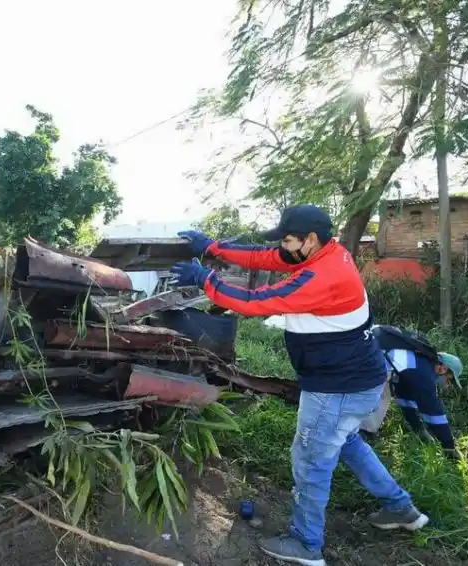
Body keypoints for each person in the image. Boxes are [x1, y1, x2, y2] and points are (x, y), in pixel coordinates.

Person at [172, 205, 428, 566]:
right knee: (345, 441)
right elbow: (264, 256)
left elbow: (255, 302)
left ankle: (306, 544)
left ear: (309, 240)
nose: (283, 248)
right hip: (357, 381)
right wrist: (213, 247)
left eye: (288, 240)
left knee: (310, 460)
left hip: (336, 387)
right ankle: (401, 508)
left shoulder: (322, 276)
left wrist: (206, 280)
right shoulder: (325, 253)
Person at [361, 325, 464, 460]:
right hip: (367, 358)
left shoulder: (417, 364)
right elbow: (433, 412)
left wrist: (419, 429)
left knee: (384, 393)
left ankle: (363, 434)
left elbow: (405, 398)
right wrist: (449, 446)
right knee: (379, 396)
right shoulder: (423, 374)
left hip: (369, 349)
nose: (447, 384)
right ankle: (361, 436)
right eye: (449, 379)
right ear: (443, 369)